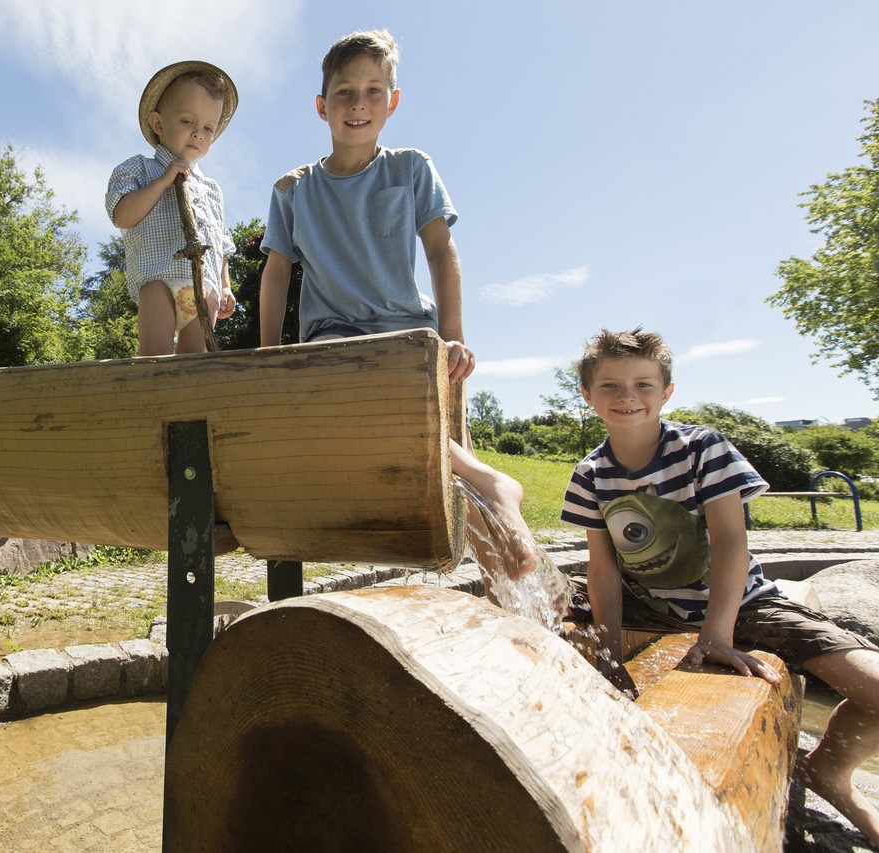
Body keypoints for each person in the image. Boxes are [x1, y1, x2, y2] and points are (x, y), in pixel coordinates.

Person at [561, 327, 879, 845]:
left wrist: (716, 635)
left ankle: (829, 772)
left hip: (745, 605)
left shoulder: (702, 448)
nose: (627, 396)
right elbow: (603, 569)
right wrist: (609, 655)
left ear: (667, 391)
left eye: (643, 384)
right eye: (610, 385)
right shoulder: (590, 474)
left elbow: (732, 542)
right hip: (653, 606)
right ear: (587, 395)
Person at [258, 29, 536, 574]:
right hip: (335, 338)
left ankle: (516, 582)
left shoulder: (409, 168)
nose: (358, 104)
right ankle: (490, 480)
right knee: (389, 415)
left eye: (373, 91)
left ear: (393, 102)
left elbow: (440, 249)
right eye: (344, 92)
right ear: (321, 106)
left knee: (457, 477)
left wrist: (454, 336)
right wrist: (269, 355)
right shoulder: (293, 189)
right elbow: (276, 273)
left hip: (409, 334)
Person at [107, 61, 239, 356]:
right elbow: (122, 216)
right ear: (158, 124)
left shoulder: (212, 189)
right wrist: (163, 182)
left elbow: (221, 244)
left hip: (205, 287)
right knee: (155, 359)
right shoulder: (140, 168)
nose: (198, 134)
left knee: (195, 365)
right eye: (187, 121)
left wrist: (225, 285)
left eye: (208, 128)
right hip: (159, 278)